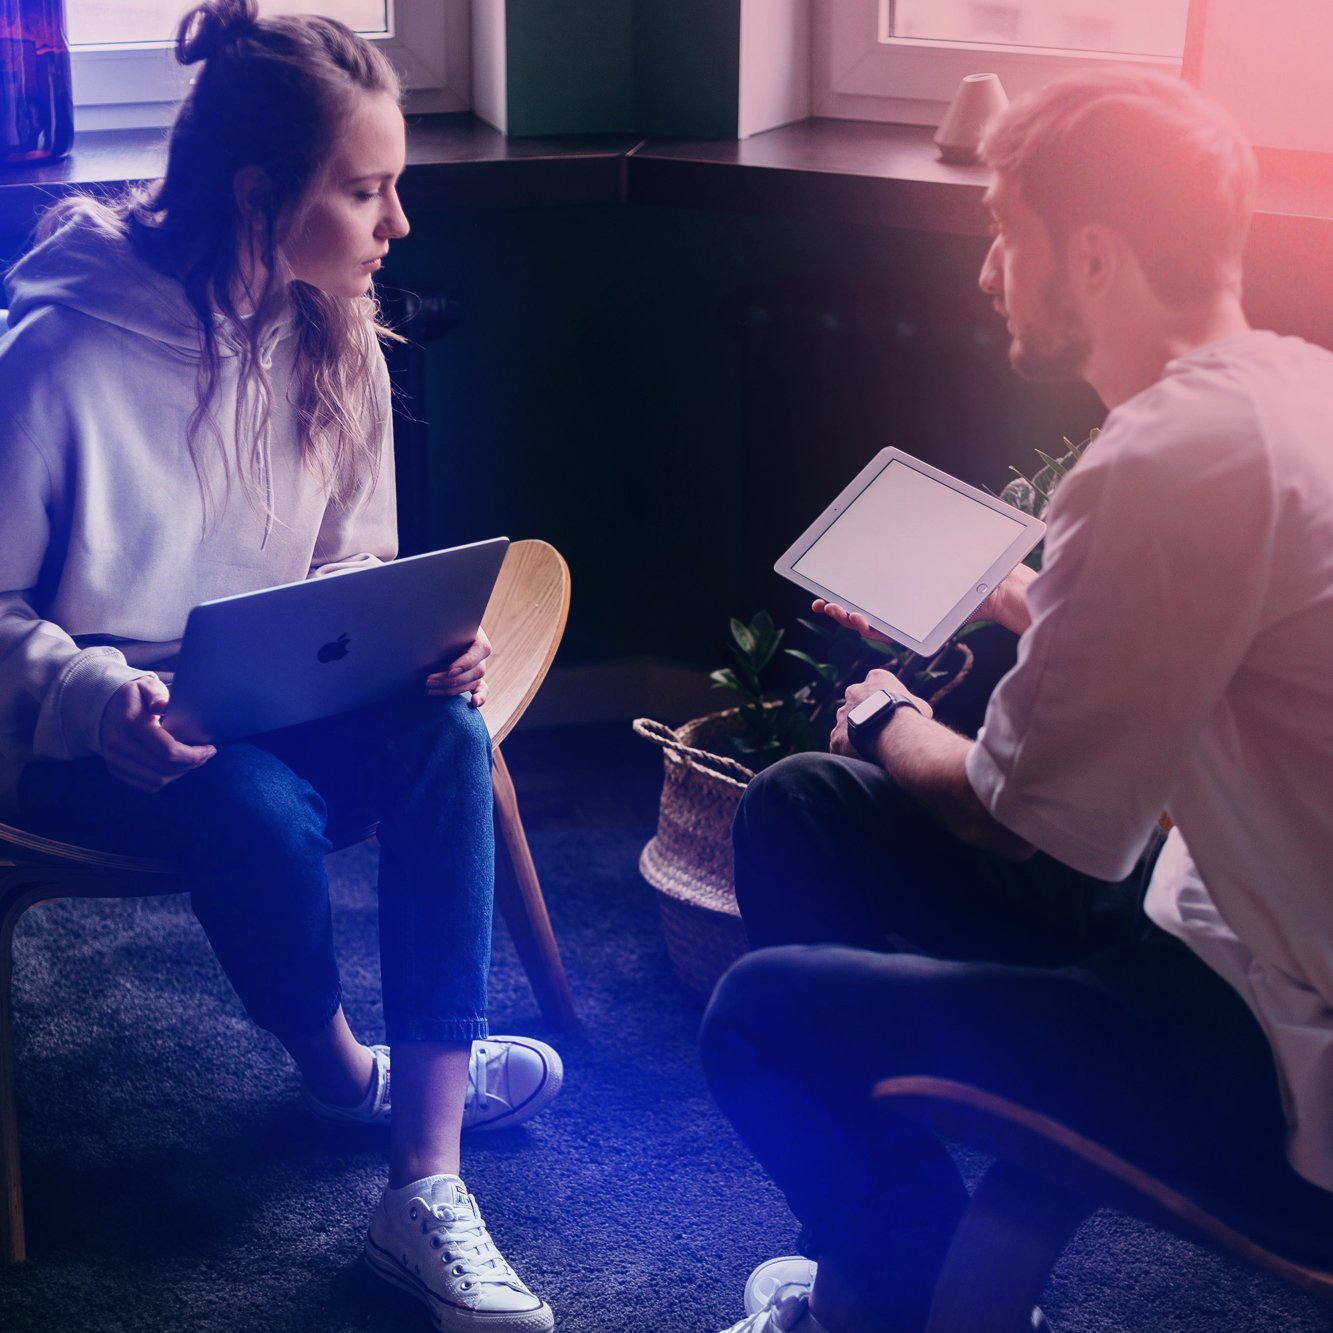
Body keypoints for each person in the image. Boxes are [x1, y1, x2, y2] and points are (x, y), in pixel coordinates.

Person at [701, 68, 1333, 1333]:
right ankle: (905, 1265)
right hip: (1213, 927)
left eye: (1008, 234)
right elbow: (1196, 649)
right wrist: (1021, 603)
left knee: (755, 1019)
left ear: (1091, 256)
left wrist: (887, 719)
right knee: (802, 808)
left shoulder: (1160, 457)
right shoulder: (1290, 391)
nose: (989, 272)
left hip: (1266, 1058)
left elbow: (1012, 817)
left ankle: (887, 1292)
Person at [0, 4, 559, 1329]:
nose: (396, 223)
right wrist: (92, 696)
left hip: (275, 700)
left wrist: (412, 646)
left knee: (448, 739)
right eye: (366, 190)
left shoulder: (338, 326)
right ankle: (342, 1071)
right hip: (92, 738)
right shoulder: (61, 353)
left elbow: (346, 568)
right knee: (250, 800)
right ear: (261, 196)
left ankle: (423, 1182)